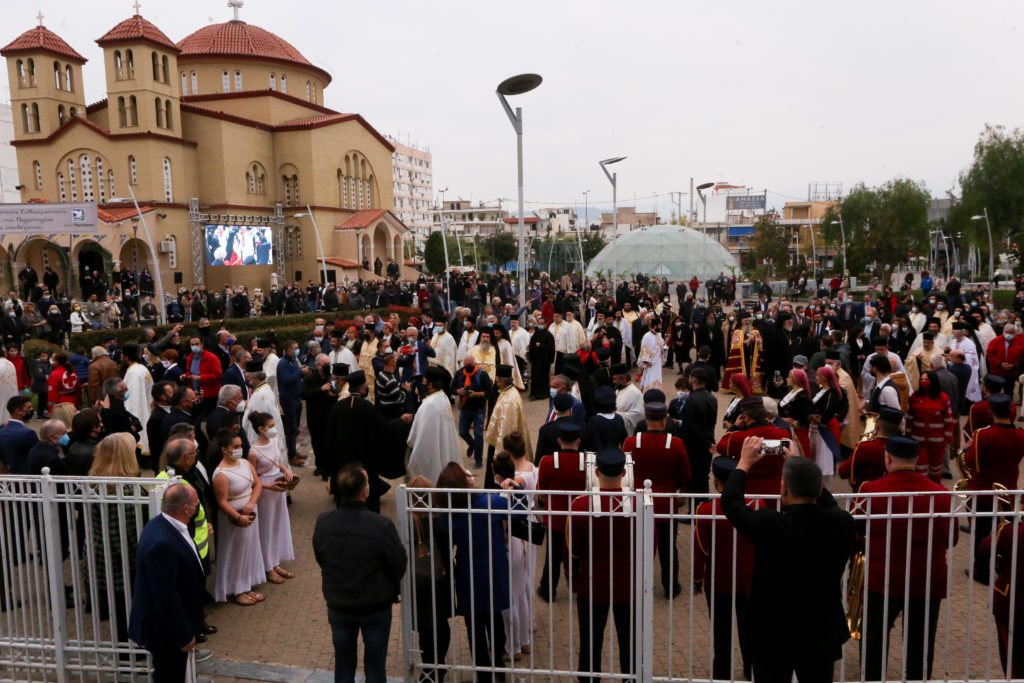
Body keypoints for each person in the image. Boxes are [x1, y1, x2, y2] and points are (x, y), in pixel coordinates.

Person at [722, 436, 856, 682]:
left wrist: (744, 463)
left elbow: (731, 503)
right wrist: (800, 466)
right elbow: (829, 505)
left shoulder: (771, 525)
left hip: (772, 632)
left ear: (783, 488)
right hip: (820, 629)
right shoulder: (842, 524)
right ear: (819, 488)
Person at [857, 435, 957, 681]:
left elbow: (858, 532)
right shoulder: (941, 493)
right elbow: (951, 538)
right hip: (926, 579)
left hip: (882, 578)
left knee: (874, 646)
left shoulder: (871, 490)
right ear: (916, 461)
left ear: (888, 458)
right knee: (920, 649)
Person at [313, 464, 406, 683]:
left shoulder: (324, 522)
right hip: (375, 606)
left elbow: (321, 556)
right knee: (375, 666)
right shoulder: (380, 525)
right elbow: (399, 563)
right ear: (365, 491)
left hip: (339, 604)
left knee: (344, 665)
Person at [435, 462, 513, 683]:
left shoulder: (449, 514)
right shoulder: (490, 502)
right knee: (495, 619)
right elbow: (520, 509)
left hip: (468, 575)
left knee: (474, 627)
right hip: (494, 572)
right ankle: (498, 664)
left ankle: (483, 672)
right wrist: (515, 489)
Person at [567, 447, 636, 682]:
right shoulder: (639, 506)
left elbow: (572, 552)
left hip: (591, 584)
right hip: (629, 585)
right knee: (629, 640)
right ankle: (630, 677)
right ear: (624, 474)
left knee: (590, 640)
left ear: (595, 472)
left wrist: (572, 578)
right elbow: (651, 548)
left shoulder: (580, 506)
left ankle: (589, 678)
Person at [128, 484, 205, 683]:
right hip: (166, 632)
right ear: (186, 509)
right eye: (196, 502)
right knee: (169, 676)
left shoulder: (163, 525)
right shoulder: (162, 543)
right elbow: (165, 597)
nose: (198, 506)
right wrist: (184, 636)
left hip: (169, 628)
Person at [693, 456, 754, 680]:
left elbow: (701, 551)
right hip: (750, 580)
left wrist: (697, 580)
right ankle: (751, 668)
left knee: (721, 632)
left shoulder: (706, 510)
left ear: (717, 482)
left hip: (719, 581)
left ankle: (722, 672)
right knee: (749, 630)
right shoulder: (757, 504)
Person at [624, 401, 692, 598]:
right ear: (664, 421)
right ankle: (670, 586)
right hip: (666, 504)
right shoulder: (676, 444)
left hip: (638, 503)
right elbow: (687, 475)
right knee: (667, 548)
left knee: (637, 547)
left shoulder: (631, 443)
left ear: (646, 420)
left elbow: (626, 474)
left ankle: (636, 585)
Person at [962, 393, 1024, 584]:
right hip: (1008, 493)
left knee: (980, 534)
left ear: (991, 412)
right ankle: (1001, 567)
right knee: (1002, 532)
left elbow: (971, 463)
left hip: (983, 491)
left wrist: (968, 449)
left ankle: (981, 570)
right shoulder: (1021, 435)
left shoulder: (983, 435)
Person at [325, 371, 405, 512]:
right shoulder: (368, 407)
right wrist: (400, 421)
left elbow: (329, 435)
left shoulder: (338, 407)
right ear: (362, 388)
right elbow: (384, 430)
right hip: (365, 463)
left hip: (342, 463)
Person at [492, 436, 538, 660]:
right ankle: (525, 641)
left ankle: (513, 647)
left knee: (508, 597)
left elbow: (503, 527)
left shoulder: (504, 494)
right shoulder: (518, 488)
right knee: (520, 592)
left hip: (511, 543)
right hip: (523, 539)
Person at [211, 431, 266, 605]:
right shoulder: (220, 474)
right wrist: (237, 517)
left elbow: (257, 484)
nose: (239, 449)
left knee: (249, 548)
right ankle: (236, 589)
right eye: (235, 446)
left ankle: (246, 585)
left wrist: (251, 504)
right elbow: (222, 502)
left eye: (240, 446)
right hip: (234, 519)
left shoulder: (245, 463)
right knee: (235, 551)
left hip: (249, 513)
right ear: (224, 449)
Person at [247, 411, 296, 586]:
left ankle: (274, 563)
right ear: (261, 429)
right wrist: (268, 486)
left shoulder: (274, 441)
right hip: (266, 489)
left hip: (279, 487)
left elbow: (278, 462)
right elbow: (252, 478)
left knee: (277, 525)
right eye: (271, 426)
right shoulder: (253, 451)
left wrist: (287, 471)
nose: (274, 429)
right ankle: (267, 567)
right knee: (266, 527)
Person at [980, 515, 1024, 678]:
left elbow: (984, 548)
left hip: (1011, 604)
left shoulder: (1012, 532)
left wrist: (1003, 527)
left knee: (1012, 659)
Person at [407, 366, 460, 483]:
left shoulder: (430, 404)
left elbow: (424, 438)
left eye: (424, 381)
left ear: (430, 384)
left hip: (432, 451)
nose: (422, 383)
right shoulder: (443, 397)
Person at [483, 364, 531, 488]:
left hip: (501, 443)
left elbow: (507, 427)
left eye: (497, 380)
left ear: (502, 381)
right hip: (497, 439)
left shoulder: (509, 400)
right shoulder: (509, 392)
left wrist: (501, 450)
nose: (496, 382)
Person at [837, 406, 903, 490]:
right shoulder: (902, 449)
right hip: (890, 501)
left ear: (877, 426)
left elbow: (842, 472)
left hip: (863, 499)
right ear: (898, 429)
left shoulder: (864, 448)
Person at [906, 370, 953, 482]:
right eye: (921, 379)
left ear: (933, 381)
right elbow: (909, 418)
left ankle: (935, 485)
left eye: (926, 379)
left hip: (937, 441)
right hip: (918, 440)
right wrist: (908, 435)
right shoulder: (915, 396)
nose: (923, 381)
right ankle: (922, 488)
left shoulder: (943, 398)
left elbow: (948, 419)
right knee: (920, 465)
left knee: (936, 466)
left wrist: (947, 438)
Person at [453, 354, 492, 469]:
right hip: (465, 408)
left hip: (478, 408)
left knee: (478, 434)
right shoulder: (459, 374)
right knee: (462, 432)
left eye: (469, 365)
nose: (467, 367)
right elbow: (451, 388)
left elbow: (490, 392)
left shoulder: (482, 374)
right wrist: (458, 391)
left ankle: (478, 459)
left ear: (474, 364)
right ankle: (472, 444)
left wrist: (476, 394)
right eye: (465, 365)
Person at [0, 395, 38, 474]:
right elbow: (36, 456)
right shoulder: (28, 433)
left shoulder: (2, 430)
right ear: (18, 411)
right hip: (26, 477)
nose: (32, 410)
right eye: (28, 408)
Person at [528, 317, 555, 400]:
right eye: (539, 323)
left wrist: (541, 345)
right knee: (535, 377)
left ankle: (543, 394)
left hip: (544, 361)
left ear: (545, 324)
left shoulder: (548, 335)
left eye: (542, 323)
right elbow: (532, 343)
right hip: (535, 360)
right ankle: (534, 394)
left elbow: (551, 348)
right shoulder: (536, 334)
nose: (540, 325)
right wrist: (530, 348)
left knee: (543, 378)